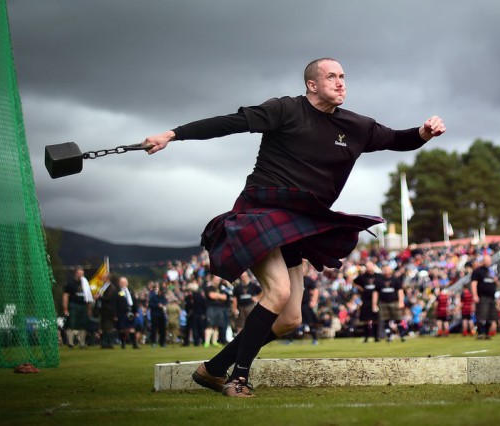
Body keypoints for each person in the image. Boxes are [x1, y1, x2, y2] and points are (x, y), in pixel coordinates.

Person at [143, 57, 445, 397]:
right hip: (263, 213)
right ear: (312, 85)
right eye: (332, 76)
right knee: (279, 292)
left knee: (289, 320)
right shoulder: (285, 110)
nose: (341, 82)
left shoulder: (357, 126)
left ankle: (212, 369)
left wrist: (424, 132)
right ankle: (238, 379)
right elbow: (230, 123)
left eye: (343, 76)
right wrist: (172, 134)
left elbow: (398, 139)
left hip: (298, 224)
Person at [62, 267, 93, 349]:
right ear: (76, 273)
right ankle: (70, 343)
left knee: (83, 325)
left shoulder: (85, 283)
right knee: (71, 324)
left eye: (82, 273)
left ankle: (82, 343)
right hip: (74, 305)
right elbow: (66, 296)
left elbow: (88, 297)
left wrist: (89, 308)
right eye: (79, 273)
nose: (81, 275)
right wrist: (65, 308)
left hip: (83, 306)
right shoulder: (70, 283)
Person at [374, 264, 405, 342]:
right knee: (385, 320)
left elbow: (400, 291)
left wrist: (401, 301)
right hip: (383, 302)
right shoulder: (379, 280)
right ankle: (389, 336)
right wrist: (374, 304)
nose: (386, 271)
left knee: (398, 319)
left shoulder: (395, 280)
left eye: (388, 269)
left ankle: (401, 335)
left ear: (391, 270)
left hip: (394, 302)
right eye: (385, 269)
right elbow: (375, 293)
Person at [470, 255, 499, 340]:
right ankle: (480, 333)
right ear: (483, 261)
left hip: (491, 297)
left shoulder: (491, 271)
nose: (490, 262)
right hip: (482, 297)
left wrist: (496, 281)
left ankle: (487, 333)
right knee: (481, 316)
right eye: (488, 260)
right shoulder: (477, 271)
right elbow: (473, 283)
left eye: (490, 260)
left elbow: (496, 283)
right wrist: (475, 295)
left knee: (490, 317)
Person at [354, 261, 383, 342]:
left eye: (370, 266)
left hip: (377, 300)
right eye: (367, 266)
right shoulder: (362, 276)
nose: (369, 268)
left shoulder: (378, 276)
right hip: (366, 299)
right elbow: (354, 282)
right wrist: (361, 289)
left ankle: (376, 336)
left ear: (373, 266)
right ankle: (366, 337)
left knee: (375, 318)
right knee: (366, 319)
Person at [113, 277, 140, 349]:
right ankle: (123, 344)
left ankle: (134, 344)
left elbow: (135, 301)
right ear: (119, 283)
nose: (124, 284)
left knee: (132, 328)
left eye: (125, 282)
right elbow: (115, 304)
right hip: (121, 312)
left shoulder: (130, 291)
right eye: (122, 282)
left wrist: (136, 311)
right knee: (122, 329)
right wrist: (115, 315)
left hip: (130, 312)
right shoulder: (117, 292)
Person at [96, 273, 118, 349]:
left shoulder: (111, 287)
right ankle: (105, 343)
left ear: (107, 279)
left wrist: (99, 297)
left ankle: (108, 343)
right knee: (104, 327)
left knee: (108, 327)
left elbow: (109, 298)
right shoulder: (104, 287)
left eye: (103, 278)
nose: (102, 279)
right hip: (103, 310)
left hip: (108, 310)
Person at [149, 282, 168, 347]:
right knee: (154, 329)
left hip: (162, 315)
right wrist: (157, 305)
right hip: (155, 315)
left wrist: (163, 306)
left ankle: (162, 342)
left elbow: (165, 303)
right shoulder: (153, 297)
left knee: (163, 329)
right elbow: (150, 305)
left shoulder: (163, 298)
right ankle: (153, 342)